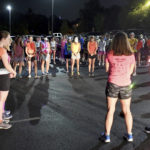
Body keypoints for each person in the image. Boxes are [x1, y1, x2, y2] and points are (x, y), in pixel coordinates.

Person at [101, 32, 135, 143]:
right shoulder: (131, 54)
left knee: (110, 110)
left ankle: (107, 136)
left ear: (115, 41)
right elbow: (131, 71)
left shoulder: (110, 54)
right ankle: (129, 135)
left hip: (113, 83)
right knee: (127, 111)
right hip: (125, 84)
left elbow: (107, 70)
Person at [0, 30, 16, 129]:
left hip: (2, 75)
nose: (10, 40)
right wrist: (14, 72)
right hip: (3, 76)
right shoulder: (1, 49)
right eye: (9, 38)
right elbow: (6, 64)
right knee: (1, 100)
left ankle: (2, 116)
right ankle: (1, 122)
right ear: (4, 38)